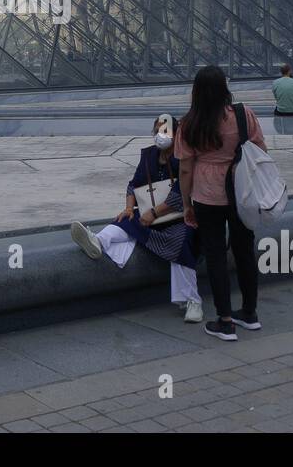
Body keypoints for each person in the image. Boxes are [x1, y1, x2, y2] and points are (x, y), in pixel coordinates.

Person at [69, 115, 203, 322]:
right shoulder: (149, 156)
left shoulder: (181, 157)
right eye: (158, 130)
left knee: (181, 242)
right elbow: (134, 184)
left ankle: (192, 300)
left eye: (166, 131)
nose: (161, 135)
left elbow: (180, 194)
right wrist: (129, 207)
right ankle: (97, 241)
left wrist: (154, 213)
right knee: (125, 220)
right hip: (150, 213)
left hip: (177, 217)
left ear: (176, 134)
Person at [176, 65, 267, 340]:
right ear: (224, 88)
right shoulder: (243, 114)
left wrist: (186, 204)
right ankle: (249, 312)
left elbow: (185, 169)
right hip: (241, 193)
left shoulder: (189, 123)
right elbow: (261, 150)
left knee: (215, 254)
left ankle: (225, 320)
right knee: (244, 250)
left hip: (207, 195)